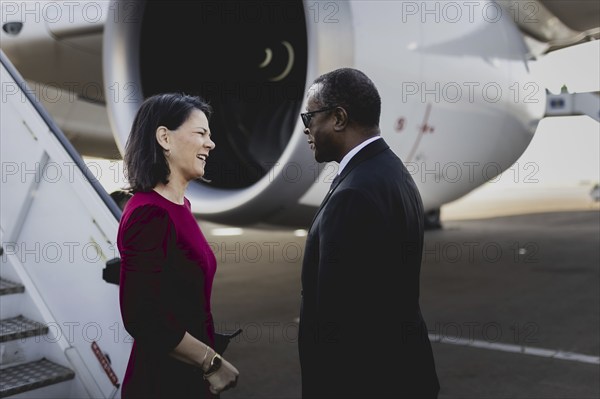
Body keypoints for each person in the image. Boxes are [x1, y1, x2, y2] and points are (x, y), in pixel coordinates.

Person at [299, 68, 440, 398]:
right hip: (403, 371)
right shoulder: (393, 172)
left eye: (309, 117)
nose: (306, 129)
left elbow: (339, 325)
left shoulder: (353, 195)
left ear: (338, 118)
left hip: (364, 382)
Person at [117, 93, 239, 398]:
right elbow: (142, 316)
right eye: (201, 133)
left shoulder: (179, 205)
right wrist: (211, 362)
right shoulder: (150, 212)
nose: (210, 144)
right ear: (164, 138)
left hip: (187, 378)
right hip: (163, 384)